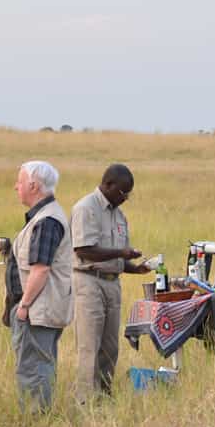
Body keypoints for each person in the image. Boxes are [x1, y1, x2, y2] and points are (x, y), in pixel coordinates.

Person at [0, 161, 73, 412]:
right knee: (39, 365)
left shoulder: (47, 220)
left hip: (37, 309)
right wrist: (10, 249)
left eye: (19, 181)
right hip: (42, 307)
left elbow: (41, 268)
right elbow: (35, 258)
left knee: (33, 368)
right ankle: (39, 418)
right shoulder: (44, 216)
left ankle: (35, 420)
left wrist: (24, 305)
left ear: (33, 185)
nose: (15, 186)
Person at [71, 163, 150, 403]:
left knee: (110, 347)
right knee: (88, 347)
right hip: (89, 282)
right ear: (108, 185)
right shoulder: (87, 208)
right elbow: (85, 250)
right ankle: (85, 403)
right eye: (123, 192)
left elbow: (117, 256)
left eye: (129, 194)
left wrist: (135, 268)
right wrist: (121, 253)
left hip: (112, 284)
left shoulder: (119, 214)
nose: (125, 198)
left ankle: (104, 399)